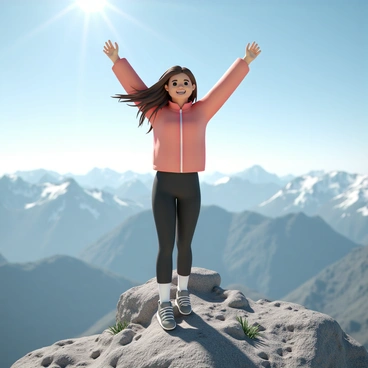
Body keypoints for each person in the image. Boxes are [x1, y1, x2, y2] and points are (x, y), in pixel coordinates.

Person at [103, 39, 261, 331]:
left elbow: (224, 89)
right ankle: (165, 303)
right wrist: (117, 60)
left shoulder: (202, 111)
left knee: (185, 244)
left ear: (192, 87)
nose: (180, 85)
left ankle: (183, 294)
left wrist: (245, 61)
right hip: (163, 184)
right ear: (166, 87)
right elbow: (135, 87)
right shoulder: (155, 111)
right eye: (175, 82)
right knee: (165, 247)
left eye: (186, 82)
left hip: (191, 185)